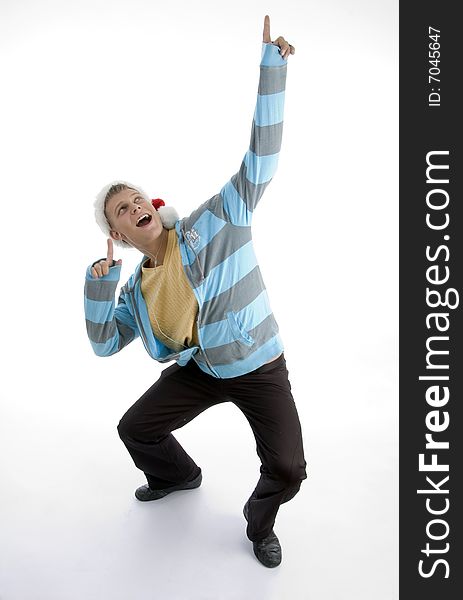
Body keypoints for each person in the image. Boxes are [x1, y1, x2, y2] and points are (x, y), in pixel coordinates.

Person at [84, 15, 306, 568]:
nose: (134, 207)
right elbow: (104, 344)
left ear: (152, 205)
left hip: (258, 364)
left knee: (288, 467)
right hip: (203, 368)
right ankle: (179, 475)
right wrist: (100, 287)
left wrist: (272, 70)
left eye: (136, 198)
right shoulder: (136, 288)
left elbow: (261, 157)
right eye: (121, 212)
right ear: (118, 234)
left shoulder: (216, 222)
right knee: (135, 428)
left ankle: (260, 526)